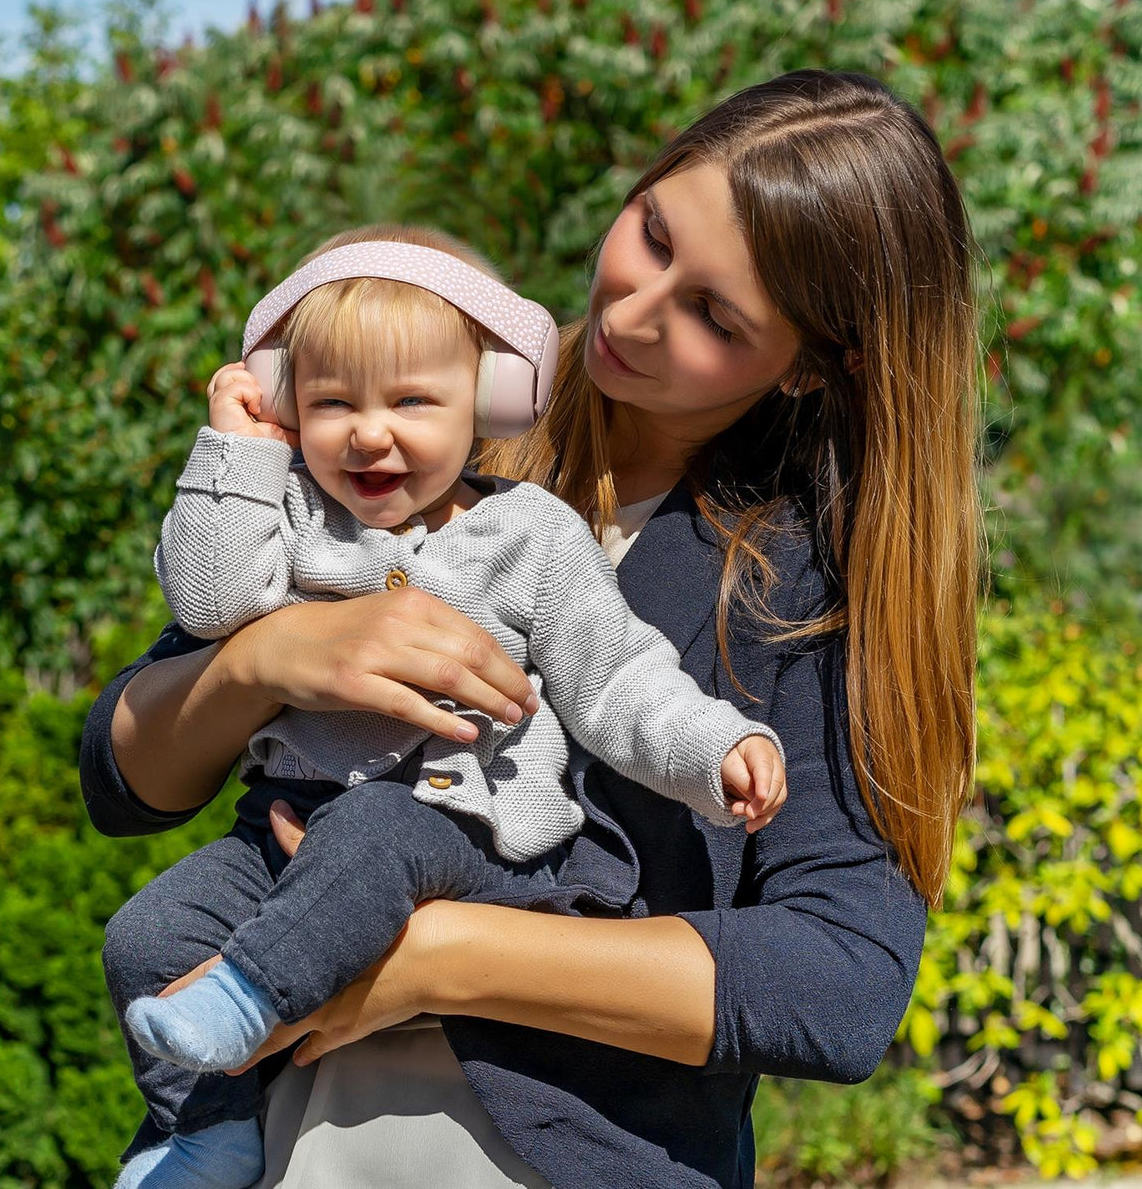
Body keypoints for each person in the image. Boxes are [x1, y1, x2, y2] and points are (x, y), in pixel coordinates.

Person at [80, 69, 980, 1189]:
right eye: (651, 233)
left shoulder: (800, 584)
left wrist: (435, 958)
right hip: (282, 1149)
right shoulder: (417, 408)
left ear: (807, 365)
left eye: (713, 315)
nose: (634, 310)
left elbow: (840, 984)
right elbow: (125, 775)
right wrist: (266, 662)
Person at [103, 223, 788, 1189]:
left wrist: (715, 749)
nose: (369, 431)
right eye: (332, 401)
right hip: (284, 837)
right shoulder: (290, 514)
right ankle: (205, 1130)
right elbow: (210, 602)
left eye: (412, 400)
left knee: (382, 827)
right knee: (147, 934)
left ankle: (253, 994)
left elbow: (619, 680)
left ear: (491, 400)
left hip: (464, 829)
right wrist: (235, 449)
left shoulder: (529, 536)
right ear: (289, 401)